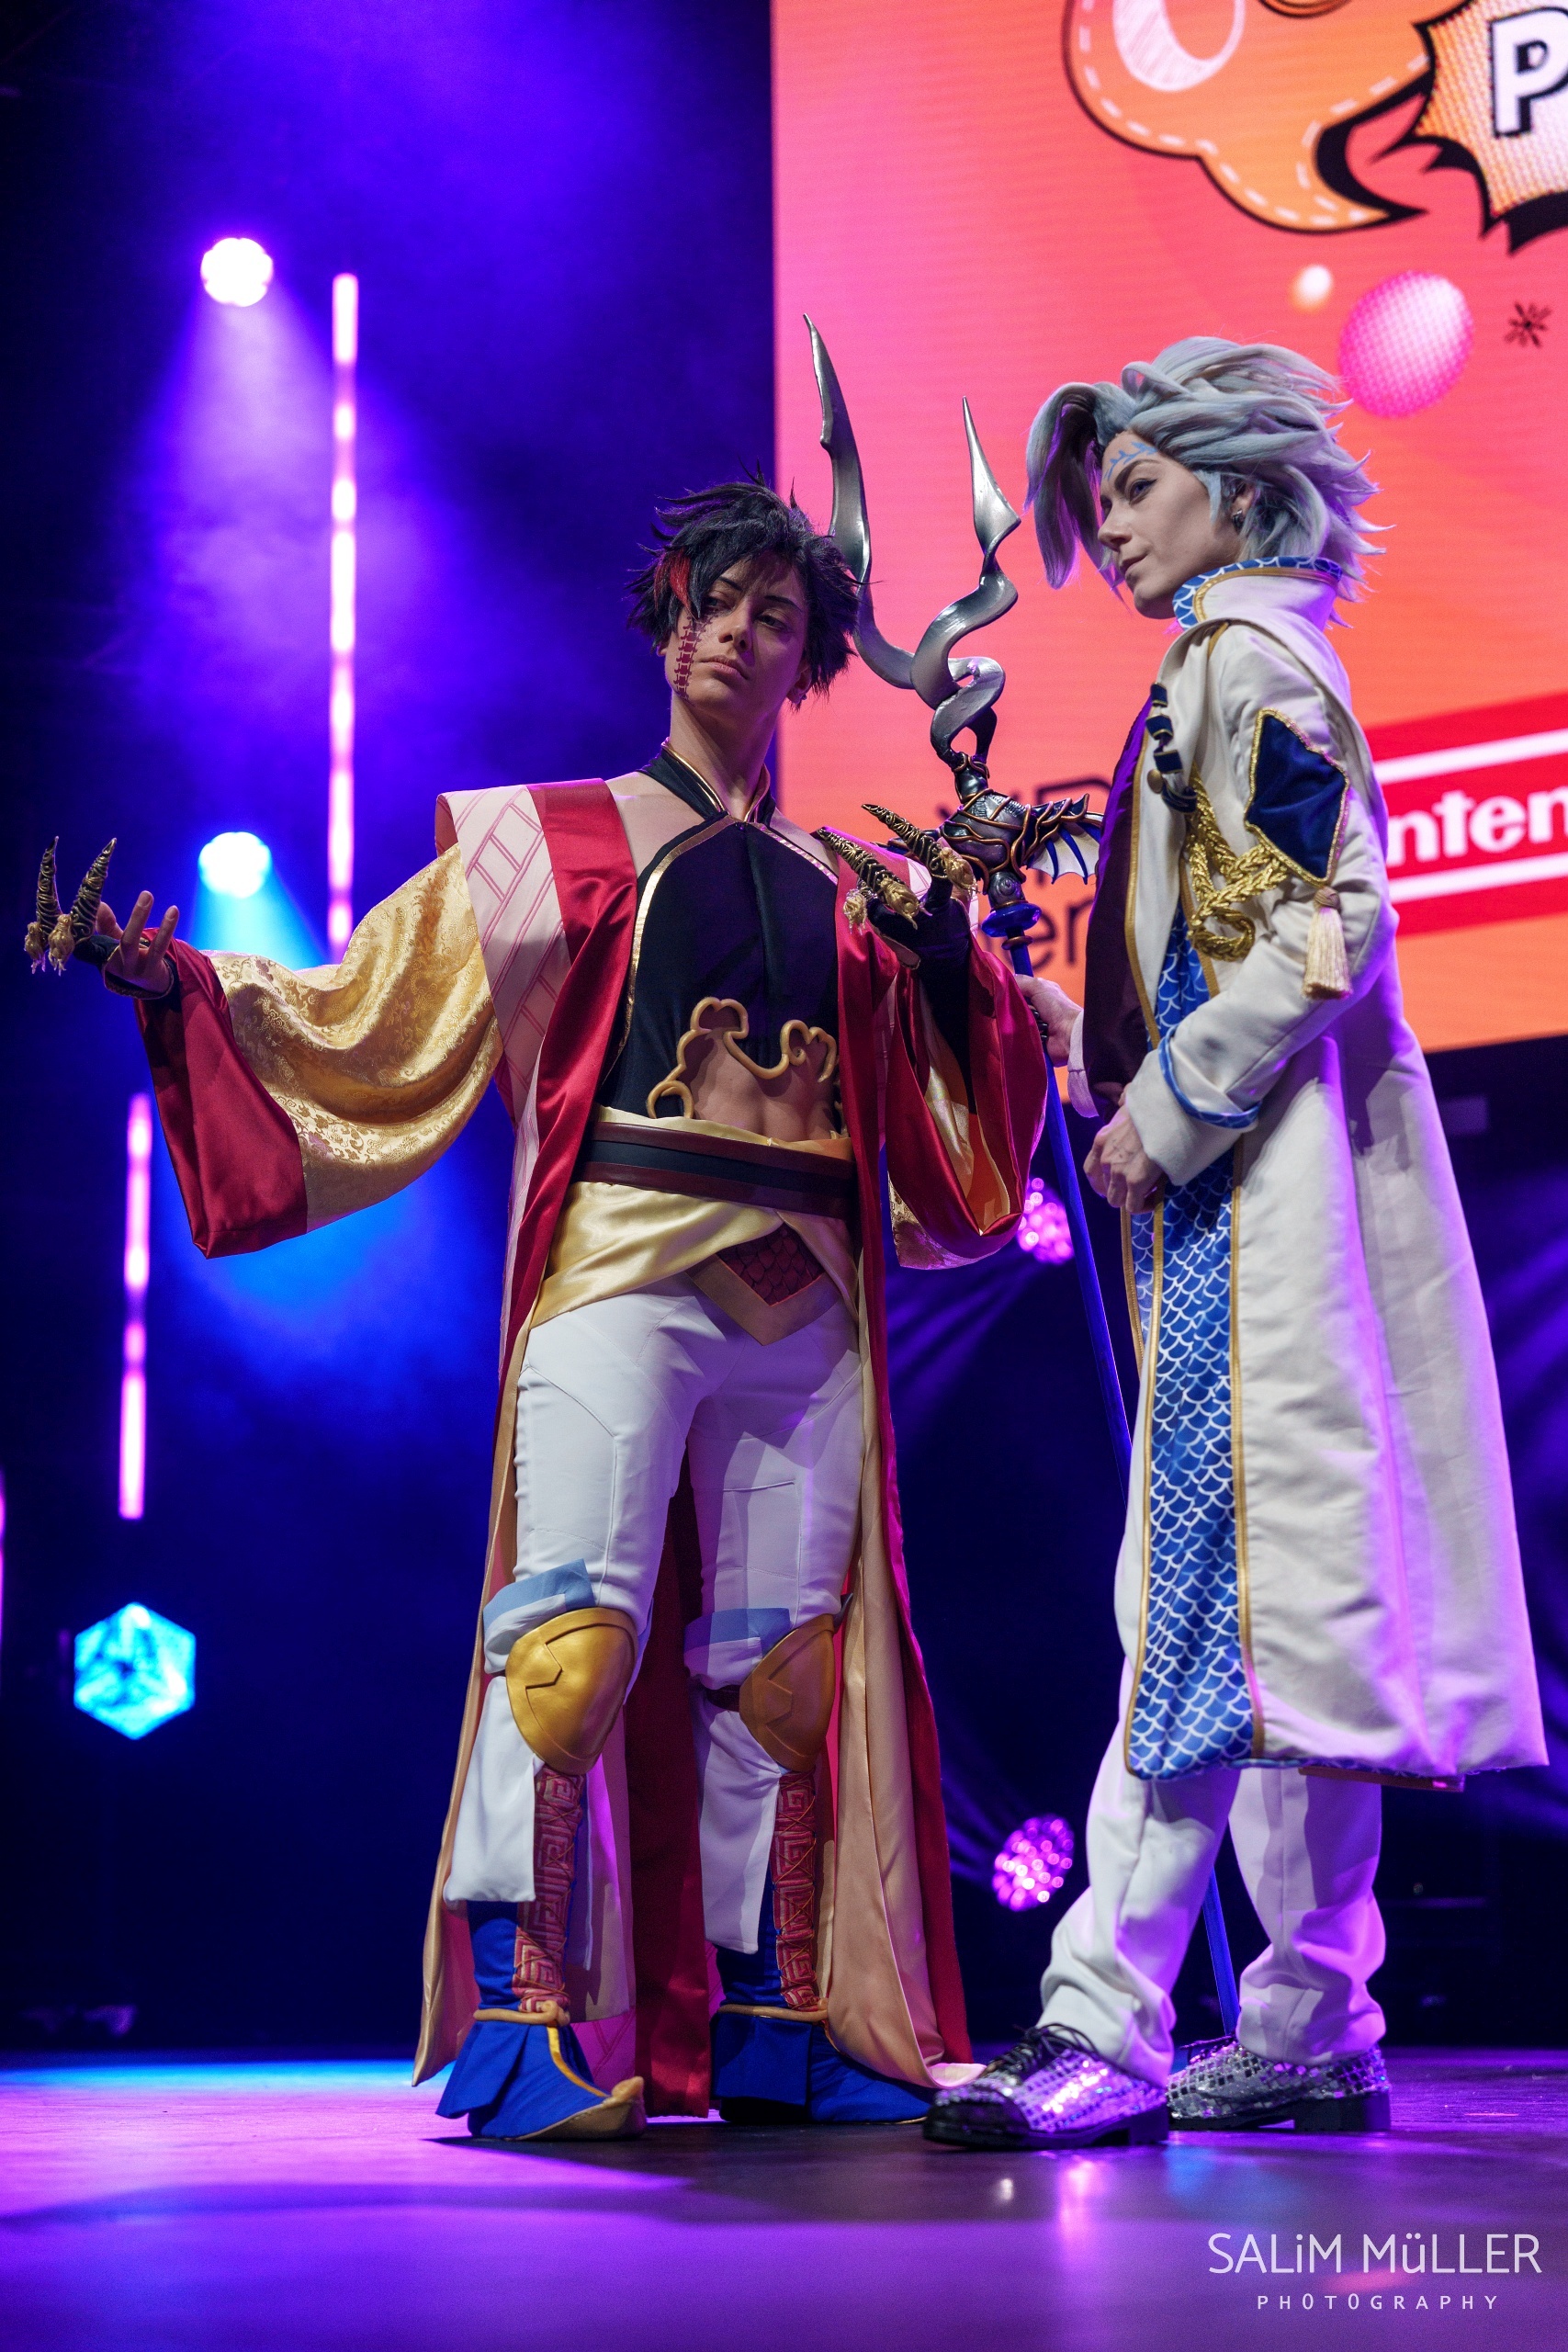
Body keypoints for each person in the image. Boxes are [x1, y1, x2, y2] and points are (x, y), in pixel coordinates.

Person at [73, 476, 1047, 2142]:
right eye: (717, 604)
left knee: (783, 1674)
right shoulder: (556, 840)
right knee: (569, 1645)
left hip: (808, 1295)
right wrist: (191, 983)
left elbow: (952, 1106)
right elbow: (372, 1001)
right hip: (619, 1272)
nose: (740, 634)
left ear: (810, 661)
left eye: (778, 617)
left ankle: (778, 2020)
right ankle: (523, 2031)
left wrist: (957, 958)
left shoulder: (851, 881)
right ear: (667, 624)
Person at [925, 339, 1545, 2153]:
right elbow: (1257, 938)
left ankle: (1102, 2021)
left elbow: (1327, 920)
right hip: (1257, 1204)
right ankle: (1309, 2018)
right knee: (1274, 1631)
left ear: (1236, 485)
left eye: (1133, 487)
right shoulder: (1239, 661)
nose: (1110, 527)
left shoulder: (1237, 659)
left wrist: (1173, 1102)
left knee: (1193, 1610)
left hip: (1254, 1218)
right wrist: (1103, 1042)